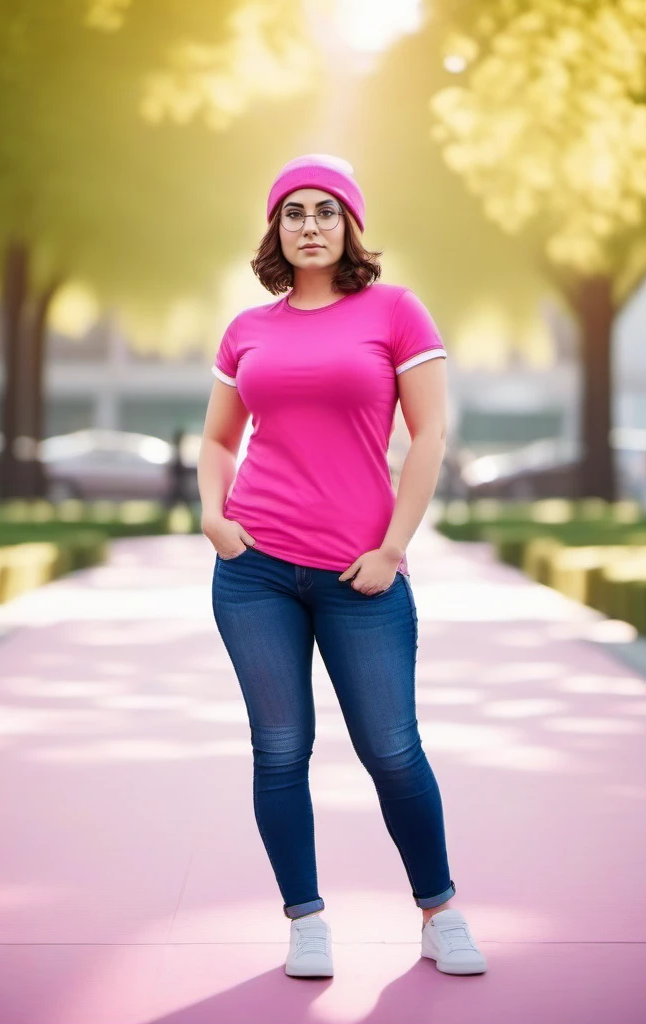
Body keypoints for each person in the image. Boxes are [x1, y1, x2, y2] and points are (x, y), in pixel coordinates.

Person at [198, 154, 487, 979]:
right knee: (281, 749)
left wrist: (392, 549)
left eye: (326, 211)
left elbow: (428, 436)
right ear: (275, 230)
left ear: (350, 225)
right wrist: (215, 519)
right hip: (254, 571)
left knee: (392, 748)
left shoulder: (394, 311)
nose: (310, 226)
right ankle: (306, 920)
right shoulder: (247, 330)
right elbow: (219, 439)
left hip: (363, 575)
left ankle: (439, 911)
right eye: (294, 213)